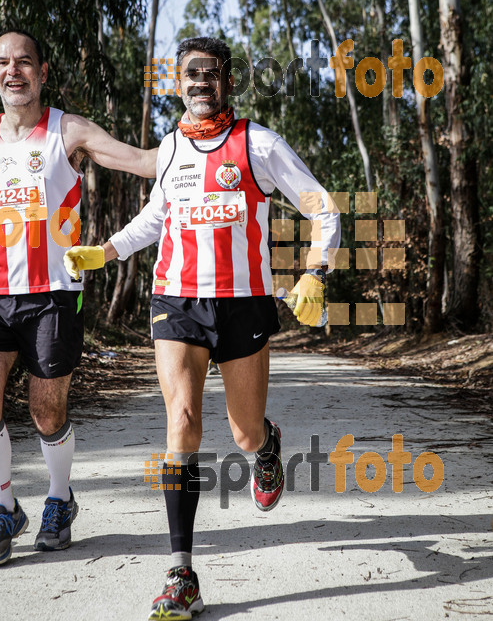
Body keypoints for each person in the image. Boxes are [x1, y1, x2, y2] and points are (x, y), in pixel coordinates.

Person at [64, 36, 340, 620]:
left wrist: (316, 270)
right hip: (177, 303)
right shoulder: (169, 149)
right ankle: (182, 573)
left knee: (242, 435)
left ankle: (267, 443)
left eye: (210, 75)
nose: (199, 84)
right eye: (190, 75)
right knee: (182, 420)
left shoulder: (257, 144)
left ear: (227, 83)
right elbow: (156, 217)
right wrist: (105, 251)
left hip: (243, 306)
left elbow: (322, 205)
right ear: (177, 81)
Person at [0, 30, 157, 566]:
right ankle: (4, 510)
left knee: (47, 412)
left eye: (24, 61)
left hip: (52, 295)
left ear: (43, 72)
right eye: (2, 62)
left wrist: (202, 152)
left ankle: (58, 499)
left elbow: (139, 160)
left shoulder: (66, 130)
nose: (13, 70)